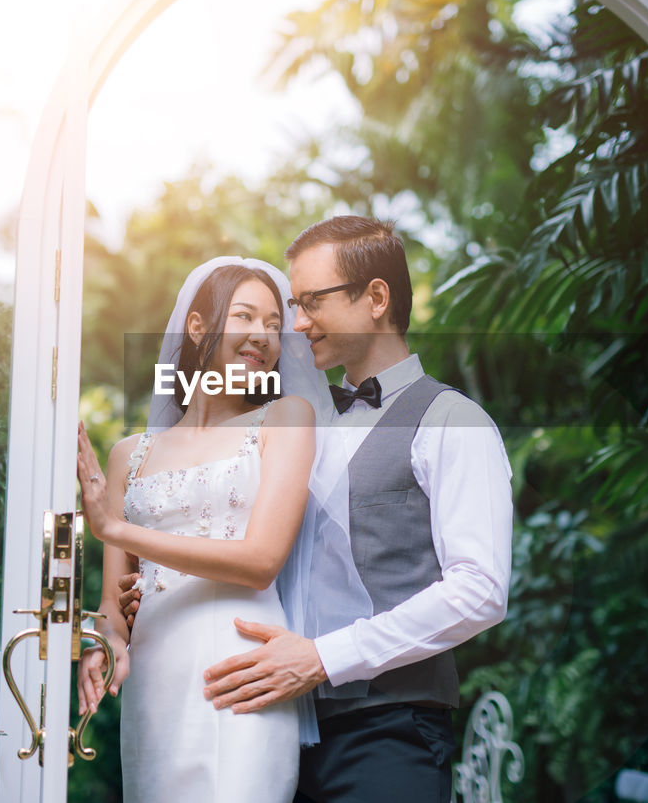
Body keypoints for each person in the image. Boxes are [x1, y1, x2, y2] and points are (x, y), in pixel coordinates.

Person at [196, 216, 514, 802]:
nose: (297, 324)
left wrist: (323, 658)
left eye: (311, 301)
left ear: (375, 298)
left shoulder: (454, 420)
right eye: (293, 304)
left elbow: (480, 590)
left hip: (389, 733)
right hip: (274, 732)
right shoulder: (296, 425)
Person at [75, 258, 370, 803]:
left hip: (242, 672)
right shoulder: (126, 456)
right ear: (197, 327)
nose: (262, 336)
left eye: (273, 327)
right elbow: (114, 613)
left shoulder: (288, 418)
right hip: (155, 688)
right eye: (244, 317)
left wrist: (115, 528)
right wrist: (103, 646)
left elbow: (260, 562)